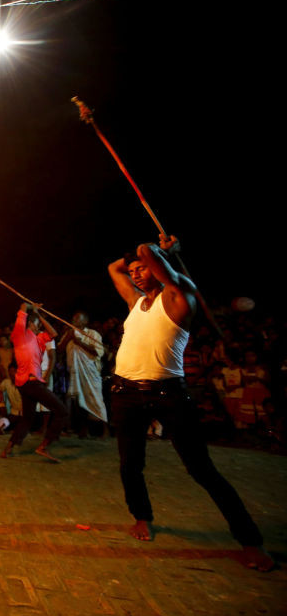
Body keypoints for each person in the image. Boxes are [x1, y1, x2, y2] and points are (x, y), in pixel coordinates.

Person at [107, 235, 272, 570]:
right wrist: (145, 258)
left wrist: (160, 253)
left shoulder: (179, 297)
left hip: (168, 394)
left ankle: (250, 540)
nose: (136, 274)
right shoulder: (135, 303)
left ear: (159, 270)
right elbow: (115, 267)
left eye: (142, 270)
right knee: (130, 464)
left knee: (202, 469)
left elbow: (144, 251)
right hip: (126, 393)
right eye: (134, 271)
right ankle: (142, 516)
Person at [2, 303, 69, 462]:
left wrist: (39, 315)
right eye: (37, 325)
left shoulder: (39, 339)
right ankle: (43, 446)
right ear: (30, 324)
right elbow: (22, 310)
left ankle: (9, 447)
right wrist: (27, 306)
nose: (40, 329)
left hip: (27, 385)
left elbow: (53, 333)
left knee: (27, 418)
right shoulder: (19, 335)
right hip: (31, 384)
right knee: (62, 411)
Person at [59, 311, 107, 437]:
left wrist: (78, 341)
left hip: (90, 373)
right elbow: (59, 349)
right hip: (74, 373)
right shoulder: (69, 333)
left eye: (77, 318)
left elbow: (98, 352)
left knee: (95, 400)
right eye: (73, 318)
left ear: (85, 321)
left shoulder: (92, 334)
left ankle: (104, 431)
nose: (74, 320)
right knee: (77, 402)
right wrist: (69, 337)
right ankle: (80, 429)